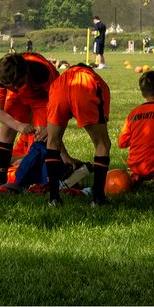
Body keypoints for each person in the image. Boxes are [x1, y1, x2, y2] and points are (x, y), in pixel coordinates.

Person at [0, 51, 62, 186]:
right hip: (17, 99)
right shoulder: (1, 77)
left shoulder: (41, 72)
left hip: (42, 97)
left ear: (26, 74)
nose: (16, 88)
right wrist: (18, 125)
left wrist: (49, 128)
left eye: (19, 84)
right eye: (11, 86)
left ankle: (44, 179)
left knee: (43, 136)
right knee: (7, 130)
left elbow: (58, 103)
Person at [45, 63, 113, 206]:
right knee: (102, 144)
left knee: (52, 142)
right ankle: (98, 199)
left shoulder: (62, 78)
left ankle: (53, 198)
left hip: (60, 85)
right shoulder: (95, 79)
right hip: (85, 85)